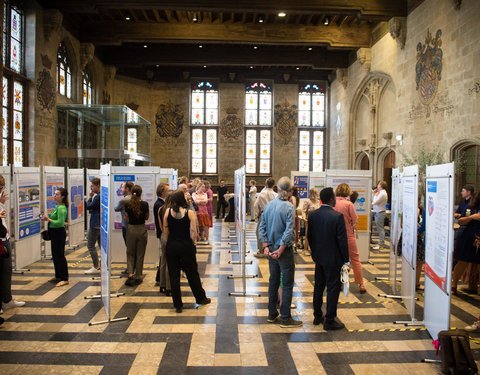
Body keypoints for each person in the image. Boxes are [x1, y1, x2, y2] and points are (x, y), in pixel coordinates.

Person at [259, 176, 301, 328]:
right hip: (283, 251)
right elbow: (289, 232)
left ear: (277, 189)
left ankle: (271, 314)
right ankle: (285, 317)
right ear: (290, 191)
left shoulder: (269, 205)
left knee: (273, 281)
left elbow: (262, 227)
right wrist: (281, 249)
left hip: (270, 248)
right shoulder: (289, 207)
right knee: (287, 283)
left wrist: (265, 246)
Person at [308, 187, 349, 330]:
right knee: (332, 288)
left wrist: (314, 252)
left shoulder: (313, 215)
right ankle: (330, 319)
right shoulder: (337, 217)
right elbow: (342, 241)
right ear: (331, 199)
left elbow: (310, 236)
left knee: (318, 286)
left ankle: (317, 316)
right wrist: (346, 259)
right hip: (333, 259)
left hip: (319, 257)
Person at [163, 190, 210, 313]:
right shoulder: (189, 213)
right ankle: (200, 298)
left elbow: (165, 230)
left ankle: (178, 304)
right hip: (186, 245)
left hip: (172, 245)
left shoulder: (167, 211)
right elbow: (194, 232)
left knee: (174, 275)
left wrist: (171, 241)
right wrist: (192, 242)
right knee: (192, 273)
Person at [334, 183, 366, 293]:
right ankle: (361, 284)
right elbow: (355, 221)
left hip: (335, 236)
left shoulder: (332, 203)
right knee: (355, 259)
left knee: (337, 260)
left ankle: (338, 282)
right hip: (348, 235)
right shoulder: (349, 204)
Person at [0, 177, 25, 312]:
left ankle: (7, 300)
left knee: (6, 270)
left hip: (4, 239)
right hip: (1, 240)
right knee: (4, 270)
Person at [451, 192, 480, 294]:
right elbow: (460, 221)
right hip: (467, 237)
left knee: (477, 263)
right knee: (462, 261)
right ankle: (454, 286)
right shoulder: (469, 207)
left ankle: (473, 285)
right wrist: (472, 217)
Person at [41, 188, 69, 287]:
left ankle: (65, 278)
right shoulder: (57, 207)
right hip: (54, 233)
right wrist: (46, 218)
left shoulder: (61, 208)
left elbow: (60, 223)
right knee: (55, 255)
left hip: (59, 233)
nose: (55, 196)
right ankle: (58, 275)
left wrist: (48, 219)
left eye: (57, 194)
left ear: (62, 197)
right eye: (55, 194)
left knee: (60, 255)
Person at [124, 185, 149, 286]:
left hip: (131, 229)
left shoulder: (128, 204)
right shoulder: (144, 204)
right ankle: (138, 276)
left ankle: (130, 274)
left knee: (130, 253)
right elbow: (147, 217)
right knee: (140, 254)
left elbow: (126, 217)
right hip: (141, 229)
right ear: (141, 193)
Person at [254, 178, 277, 258]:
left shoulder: (261, 193)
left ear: (266, 184)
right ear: (273, 185)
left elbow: (255, 205)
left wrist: (258, 213)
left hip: (264, 214)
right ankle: (272, 249)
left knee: (260, 231)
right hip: (274, 215)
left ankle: (261, 250)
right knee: (272, 231)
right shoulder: (276, 195)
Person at [114, 181, 133, 274]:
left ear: (127, 189)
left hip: (126, 226)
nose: (121, 189)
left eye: (122, 187)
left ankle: (130, 269)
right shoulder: (135, 198)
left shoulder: (124, 200)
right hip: (134, 226)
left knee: (129, 249)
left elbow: (116, 208)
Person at [153, 183, 169, 292]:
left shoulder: (162, 203)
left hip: (163, 233)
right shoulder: (159, 205)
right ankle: (162, 280)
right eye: (167, 190)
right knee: (164, 258)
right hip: (163, 233)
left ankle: (160, 278)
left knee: (163, 257)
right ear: (162, 191)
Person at [84, 177, 101, 275]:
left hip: (95, 224)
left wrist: (89, 198)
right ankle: (101, 265)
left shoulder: (98, 196)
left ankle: (96, 266)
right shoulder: (101, 195)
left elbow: (89, 207)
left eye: (92, 186)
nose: (91, 188)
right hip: (99, 224)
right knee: (101, 245)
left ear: (97, 186)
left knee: (90, 245)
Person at [372, 180, 388, 250]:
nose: (377, 186)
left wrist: (375, 195)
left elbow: (375, 202)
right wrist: (375, 194)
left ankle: (381, 244)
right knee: (379, 229)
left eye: (378, 185)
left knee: (380, 229)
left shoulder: (382, 194)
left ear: (380, 186)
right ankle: (380, 243)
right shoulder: (381, 193)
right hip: (378, 212)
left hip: (380, 212)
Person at [290, 186, 300, 251]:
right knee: (295, 229)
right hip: (295, 213)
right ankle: (295, 245)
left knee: (292, 229)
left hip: (292, 213)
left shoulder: (292, 197)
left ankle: (292, 245)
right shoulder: (297, 198)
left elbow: (292, 206)